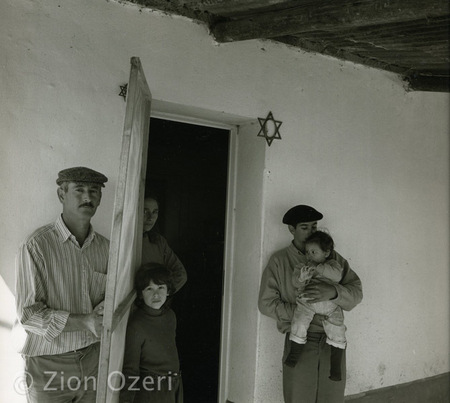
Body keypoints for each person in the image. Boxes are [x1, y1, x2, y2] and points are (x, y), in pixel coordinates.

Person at [14, 166, 109, 402]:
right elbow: (29, 315)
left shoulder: (107, 248)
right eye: (79, 190)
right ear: (61, 195)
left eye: (94, 191)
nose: (88, 197)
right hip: (48, 366)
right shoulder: (37, 245)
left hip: (94, 361)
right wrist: (84, 321)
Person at [258, 205, 363, 403]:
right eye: (304, 227)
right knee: (298, 398)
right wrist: (304, 313)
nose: (311, 232)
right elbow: (266, 304)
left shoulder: (332, 258)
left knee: (331, 398)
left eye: (314, 227)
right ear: (292, 229)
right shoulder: (279, 261)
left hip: (332, 341)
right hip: (300, 342)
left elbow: (356, 292)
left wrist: (334, 293)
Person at [285, 231, 347, 382]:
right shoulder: (303, 266)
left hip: (330, 306)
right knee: (299, 322)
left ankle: (335, 367)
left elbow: (336, 276)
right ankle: (294, 354)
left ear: (326, 253)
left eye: (314, 252)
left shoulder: (333, 265)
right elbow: (295, 283)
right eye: (307, 252)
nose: (309, 256)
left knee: (337, 330)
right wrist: (302, 278)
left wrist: (318, 267)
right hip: (308, 302)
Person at [120, 263, 183, 403]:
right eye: (149, 288)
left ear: (168, 291)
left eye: (161, 287)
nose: (156, 294)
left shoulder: (170, 316)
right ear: (141, 294)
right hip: (151, 391)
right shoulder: (137, 325)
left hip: (173, 385)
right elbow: (130, 370)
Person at [141, 196, 187, 293]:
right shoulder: (124, 241)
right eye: (145, 211)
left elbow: (181, 274)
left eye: (155, 212)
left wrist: (160, 294)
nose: (150, 217)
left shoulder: (159, 241)